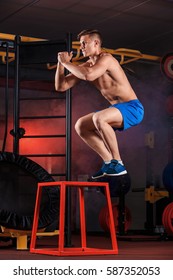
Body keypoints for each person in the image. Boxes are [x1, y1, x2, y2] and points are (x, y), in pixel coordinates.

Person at [55, 29, 144, 179]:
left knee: (99, 118)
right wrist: (60, 64)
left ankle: (118, 163)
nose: (81, 47)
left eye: (84, 43)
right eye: (80, 44)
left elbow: (89, 76)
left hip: (132, 108)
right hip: (116, 109)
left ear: (96, 43)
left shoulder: (107, 59)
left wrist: (66, 63)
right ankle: (109, 162)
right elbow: (61, 86)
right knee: (81, 125)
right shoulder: (87, 65)